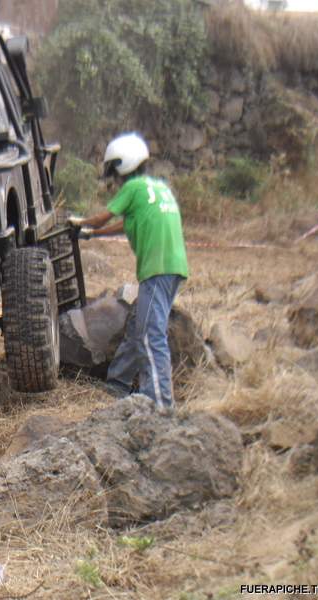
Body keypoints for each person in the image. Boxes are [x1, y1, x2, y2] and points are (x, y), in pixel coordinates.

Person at [69, 133, 189, 409]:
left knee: (150, 333)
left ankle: (159, 401)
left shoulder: (133, 188)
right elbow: (125, 224)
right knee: (139, 325)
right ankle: (118, 384)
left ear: (123, 166)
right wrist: (92, 235)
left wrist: (80, 223)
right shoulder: (158, 188)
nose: (116, 180)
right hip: (174, 267)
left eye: (115, 172)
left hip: (157, 269)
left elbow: (104, 216)